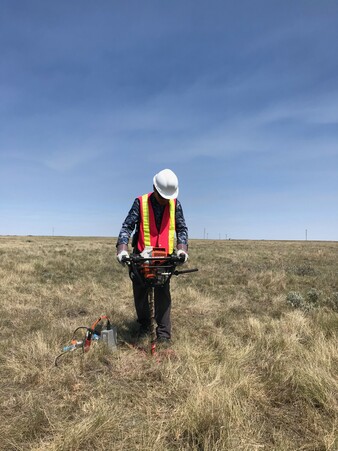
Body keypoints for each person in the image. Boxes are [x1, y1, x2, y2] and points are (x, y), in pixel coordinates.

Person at [116, 168, 189, 344]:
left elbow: (182, 228)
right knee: (140, 293)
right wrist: (122, 249)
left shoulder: (175, 204)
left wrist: (182, 249)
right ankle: (144, 327)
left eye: (168, 198)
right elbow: (127, 226)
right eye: (163, 197)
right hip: (141, 257)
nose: (166, 201)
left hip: (164, 259)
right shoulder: (140, 203)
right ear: (154, 189)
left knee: (163, 294)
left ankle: (163, 334)